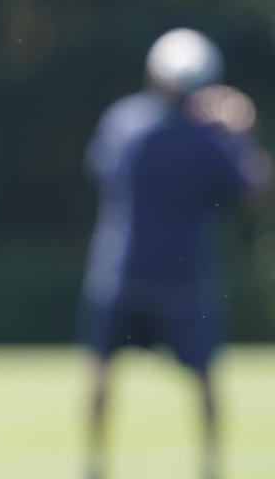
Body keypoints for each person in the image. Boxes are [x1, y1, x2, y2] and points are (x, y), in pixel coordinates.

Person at [78, 27, 270, 479]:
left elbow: (99, 171)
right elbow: (255, 195)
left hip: (120, 270)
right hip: (184, 277)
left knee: (101, 370)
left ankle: (94, 467)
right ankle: (211, 468)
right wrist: (241, 132)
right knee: (203, 377)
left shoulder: (122, 121)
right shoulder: (210, 139)